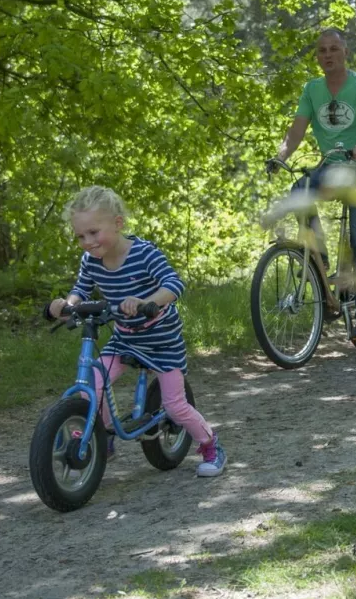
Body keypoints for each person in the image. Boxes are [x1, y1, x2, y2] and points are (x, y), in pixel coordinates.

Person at [48, 186, 226, 478]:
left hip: (162, 341)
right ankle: (102, 435)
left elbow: (173, 284)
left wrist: (147, 302)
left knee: (175, 406)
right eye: (81, 236)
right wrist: (66, 304)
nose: (88, 242)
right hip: (124, 337)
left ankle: (210, 444)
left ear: (118, 224)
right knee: (93, 385)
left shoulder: (144, 253)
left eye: (94, 232)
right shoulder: (90, 260)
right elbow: (80, 289)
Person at [270, 27, 356, 343]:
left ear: (345, 51)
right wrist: (281, 157)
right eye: (322, 51)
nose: (328, 55)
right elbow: (295, 133)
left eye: (334, 49)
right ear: (317, 57)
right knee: (299, 192)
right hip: (332, 169)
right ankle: (319, 259)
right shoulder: (312, 89)